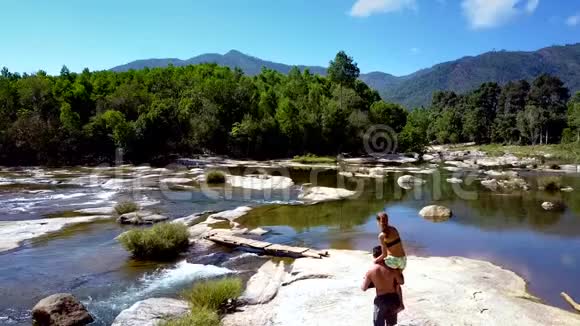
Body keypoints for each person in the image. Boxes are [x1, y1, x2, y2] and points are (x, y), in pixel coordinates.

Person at [362, 246, 404, 326]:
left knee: (378, 324)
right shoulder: (393, 268)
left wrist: (374, 282)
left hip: (381, 300)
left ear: (374, 256)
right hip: (393, 299)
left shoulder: (371, 271)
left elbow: (363, 288)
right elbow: (401, 282)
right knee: (390, 323)